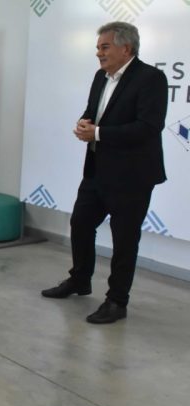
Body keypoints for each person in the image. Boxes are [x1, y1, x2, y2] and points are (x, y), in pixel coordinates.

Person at [41, 22, 168, 324]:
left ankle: (117, 301)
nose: (98, 53)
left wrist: (97, 133)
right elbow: (93, 112)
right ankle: (80, 279)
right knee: (80, 223)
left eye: (104, 47)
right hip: (97, 169)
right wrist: (85, 123)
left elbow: (149, 127)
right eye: (98, 47)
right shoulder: (101, 76)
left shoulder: (151, 78)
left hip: (132, 175)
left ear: (126, 48)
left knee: (124, 240)